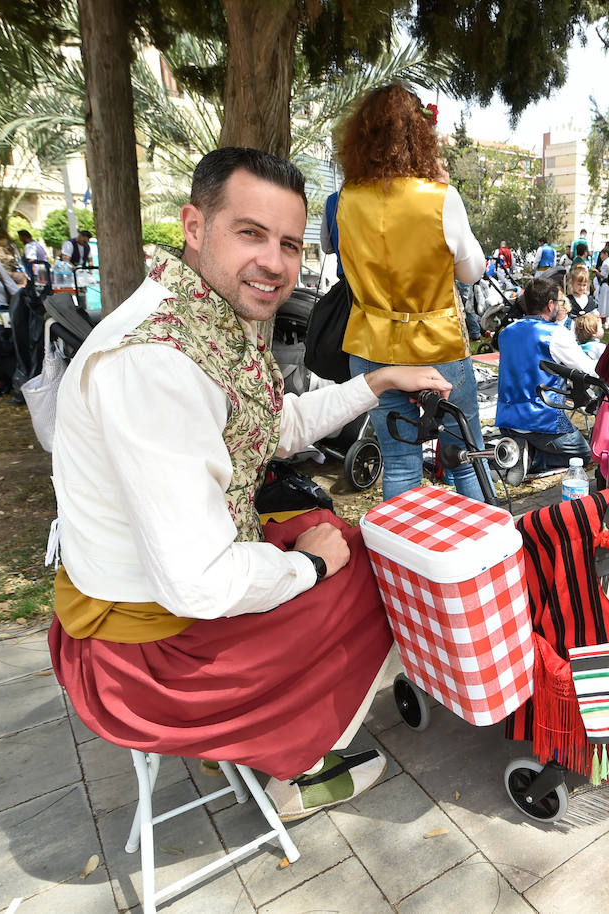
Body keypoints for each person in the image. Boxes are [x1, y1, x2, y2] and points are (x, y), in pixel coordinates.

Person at [48, 146, 453, 821]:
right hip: (142, 663)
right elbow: (201, 584)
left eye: (289, 243)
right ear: (194, 226)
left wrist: (380, 381)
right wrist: (308, 568)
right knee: (372, 569)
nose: (274, 261)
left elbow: (274, 424)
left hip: (156, 601)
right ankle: (298, 764)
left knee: (337, 534)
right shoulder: (155, 364)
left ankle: (282, 727)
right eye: (250, 233)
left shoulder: (198, 315)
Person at [336, 84, 489, 503]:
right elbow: (473, 272)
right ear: (420, 136)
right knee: (465, 453)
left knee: (400, 462)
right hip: (436, 343)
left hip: (371, 343)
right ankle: (478, 551)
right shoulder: (440, 198)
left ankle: (401, 559)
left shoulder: (345, 199)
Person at [495, 274, 598, 484]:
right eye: (560, 302)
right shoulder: (555, 334)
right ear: (550, 305)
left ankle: (522, 451)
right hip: (543, 421)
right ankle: (533, 458)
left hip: (507, 418)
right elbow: (589, 370)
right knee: (586, 454)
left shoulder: (506, 333)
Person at [595, 240, 609, 329]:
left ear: (606, 254)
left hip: (605, 285)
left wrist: (596, 272)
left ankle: (603, 323)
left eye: (601, 254)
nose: (600, 256)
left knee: (603, 304)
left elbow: (603, 275)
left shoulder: (606, 262)